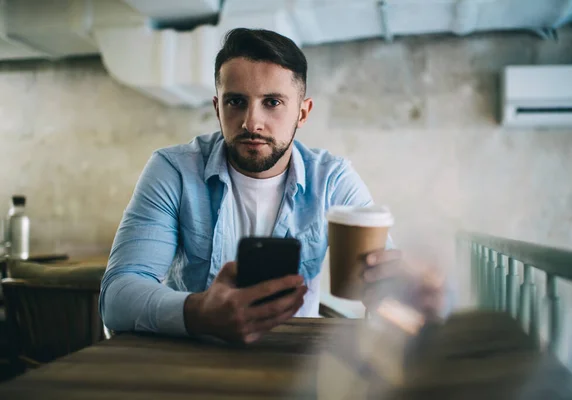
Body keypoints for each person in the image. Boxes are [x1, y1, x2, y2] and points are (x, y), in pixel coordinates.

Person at [100, 28, 445, 344]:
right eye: (236, 101)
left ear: (302, 113)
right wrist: (201, 312)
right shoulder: (173, 169)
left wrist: (390, 290)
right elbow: (116, 297)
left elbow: (392, 290)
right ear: (217, 107)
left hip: (290, 356)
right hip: (194, 353)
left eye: (273, 102)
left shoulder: (332, 179)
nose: (252, 122)